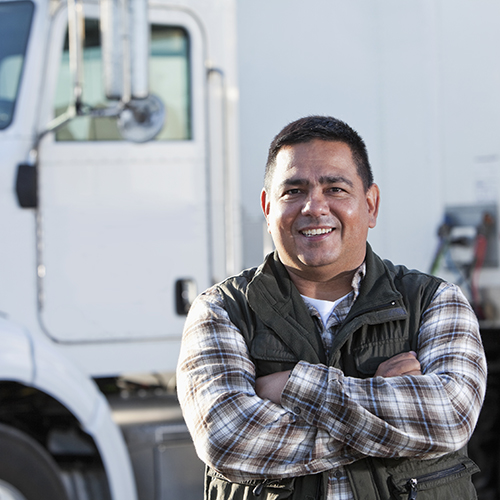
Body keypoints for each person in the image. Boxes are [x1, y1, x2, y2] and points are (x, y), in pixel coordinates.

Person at [176, 116, 487, 500]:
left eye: (336, 188)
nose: (314, 207)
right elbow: (229, 438)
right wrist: (388, 414)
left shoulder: (436, 301)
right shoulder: (220, 311)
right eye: (294, 191)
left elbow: (449, 418)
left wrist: (292, 386)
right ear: (267, 206)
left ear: (370, 205)